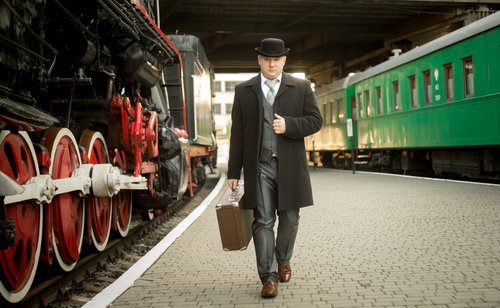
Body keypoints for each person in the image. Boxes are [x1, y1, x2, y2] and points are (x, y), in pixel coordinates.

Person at [227, 38, 323, 298]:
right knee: (263, 221)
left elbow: (316, 120)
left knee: (291, 219)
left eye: (276, 59)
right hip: (260, 166)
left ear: (284, 60)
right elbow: (238, 133)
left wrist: (289, 126)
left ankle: (283, 260)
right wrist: (233, 172)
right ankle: (267, 277)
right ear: (259, 60)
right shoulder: (243, 90)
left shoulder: (301, 87)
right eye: (267, 59)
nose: (271, 63)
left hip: (291, 166)